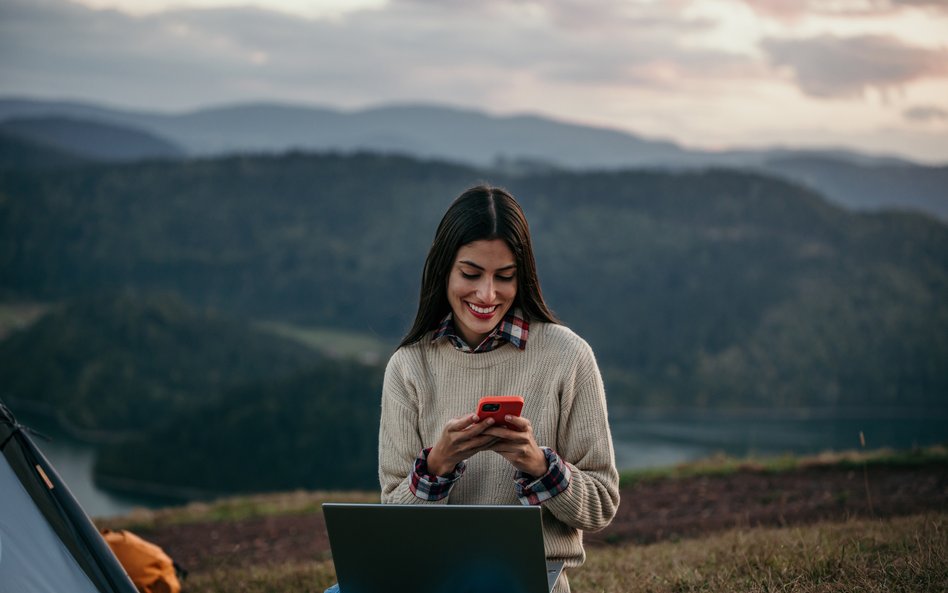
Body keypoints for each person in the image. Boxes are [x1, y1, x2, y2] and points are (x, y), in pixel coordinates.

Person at [326, 184, 619, 593]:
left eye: (504, 277)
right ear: (444, 269)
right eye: (470, 274)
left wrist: (539, 465)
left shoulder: (568, 356)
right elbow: (392, 518)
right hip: (424, 579)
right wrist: (437, 466)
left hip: (527, 584)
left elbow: (602, 504)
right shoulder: (409, 366)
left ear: (524, 276)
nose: (487, 293)